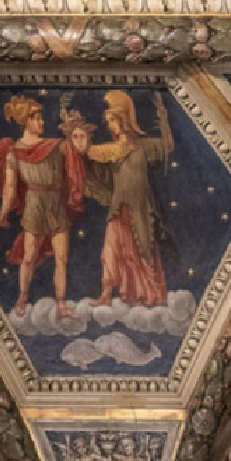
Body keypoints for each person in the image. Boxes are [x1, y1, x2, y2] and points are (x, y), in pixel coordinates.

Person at [0, 94, 90, 319]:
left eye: (40, 118)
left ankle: (60, 304)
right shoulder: (13, 153)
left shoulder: (56, 146)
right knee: (29, 257)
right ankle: (22, 297)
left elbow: (78, 150)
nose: (42, 122)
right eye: (36, 118)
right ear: (24, 121)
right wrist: (3, 212)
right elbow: (10, 188)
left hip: (56, 203)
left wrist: (75, 129)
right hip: (35, 205)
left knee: (62, 258)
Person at [83, 90, 173, 308]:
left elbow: (167, 146)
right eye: (108, 121)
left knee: (142, 250)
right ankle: (106, 293)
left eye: (112, 120)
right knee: (111, 249)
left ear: (123, 119)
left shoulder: (143, 147)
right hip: (118, 208)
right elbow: (85, 152)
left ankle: (149, 294)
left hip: (140, 209)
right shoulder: (109, 150)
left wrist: (163, 118)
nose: (110, 126)